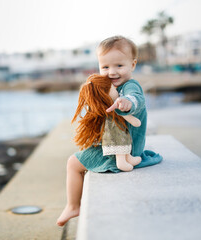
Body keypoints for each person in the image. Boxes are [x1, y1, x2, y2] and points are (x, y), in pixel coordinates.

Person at [56, 36, 162, 227]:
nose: (112, 72)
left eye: (119, 65)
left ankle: (73, 205)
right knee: (78, 158)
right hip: (119, 146)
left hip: (124, 150)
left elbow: (135, 99)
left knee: (73, 163)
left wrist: (127, 103)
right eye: (105, 67)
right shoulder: (107, 86)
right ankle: (73, 205)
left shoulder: (130, 86)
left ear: (133, 64)